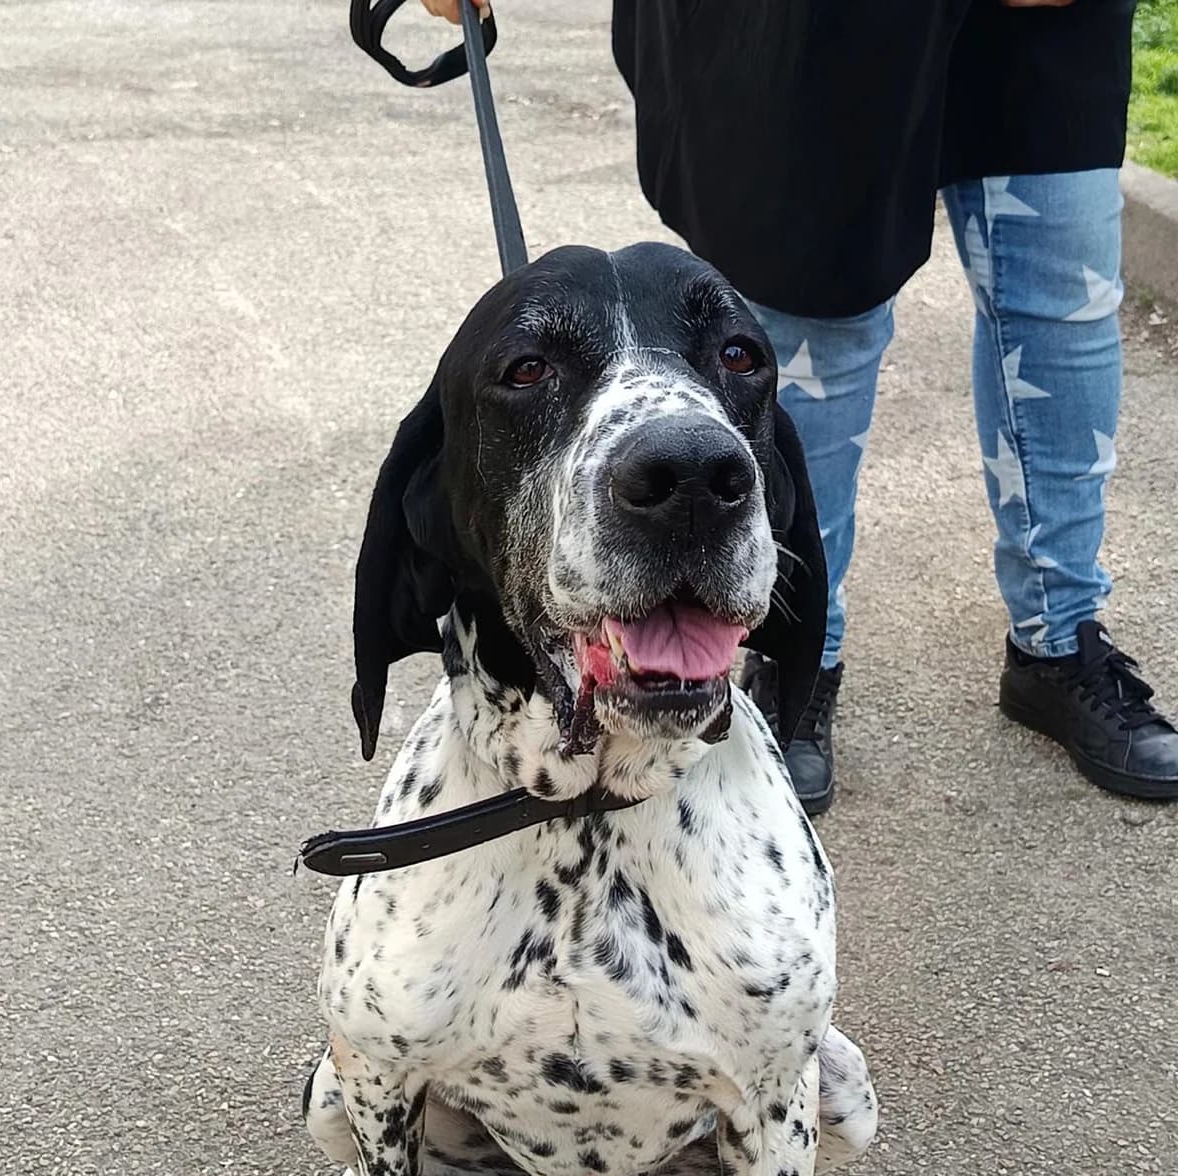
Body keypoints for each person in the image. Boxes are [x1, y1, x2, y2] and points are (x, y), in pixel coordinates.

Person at [423, 0, 1178, 811]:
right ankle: (794, 648)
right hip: (826, 28)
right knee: (822, 322)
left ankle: (1059, 638)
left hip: (1035, 31)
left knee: (1064, 305)